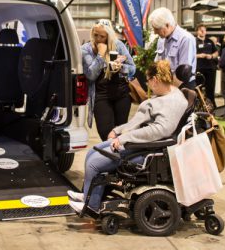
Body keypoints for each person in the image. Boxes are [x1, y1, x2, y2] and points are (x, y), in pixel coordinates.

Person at [67, 60, 188, 213]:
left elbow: (158, 131)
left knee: (94, 164)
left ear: (155, 80)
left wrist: (124, 138)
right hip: (143, 144)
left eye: (148, 81)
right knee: (93, 151)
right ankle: (87, 196)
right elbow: (140, 121)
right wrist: (118, 131)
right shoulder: (166, 94)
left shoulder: (173, 102)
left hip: (148, 150)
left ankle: (91, 205)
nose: (147, 84)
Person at [81, 19, 136, 141]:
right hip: (100, 95)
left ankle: (119, 159)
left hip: (121, 94)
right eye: (96, 35)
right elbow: (90, 75)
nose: (98, 39)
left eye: (102, 36)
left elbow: (132, 69)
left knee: (120, 134)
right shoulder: (86, 49)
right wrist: (100, 55)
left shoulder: (118, 45)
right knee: (106, 134)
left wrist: (121, 67)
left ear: (109, 36)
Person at [148, 7, 196, 88]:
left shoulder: (186, 39)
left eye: (157, 29)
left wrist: (168, 91)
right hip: (166, 85)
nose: (155, 32)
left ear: (167, 25)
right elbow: (157, 63)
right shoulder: (161, 39)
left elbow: (183, 74)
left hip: (182, 86)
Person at [195, 24, 218, 107]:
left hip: (210, 68)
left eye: (204, 30)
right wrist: (199, 55)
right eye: (201, 30)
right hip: (199, 68)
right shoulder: (194, 41)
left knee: (210, 89)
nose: (203, 31)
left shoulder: (210, 41)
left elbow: (216, 52)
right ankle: (198, 107)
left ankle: (212, 107)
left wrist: (211, 56)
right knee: (198, 89)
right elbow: (189, 54)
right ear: (197, 31)